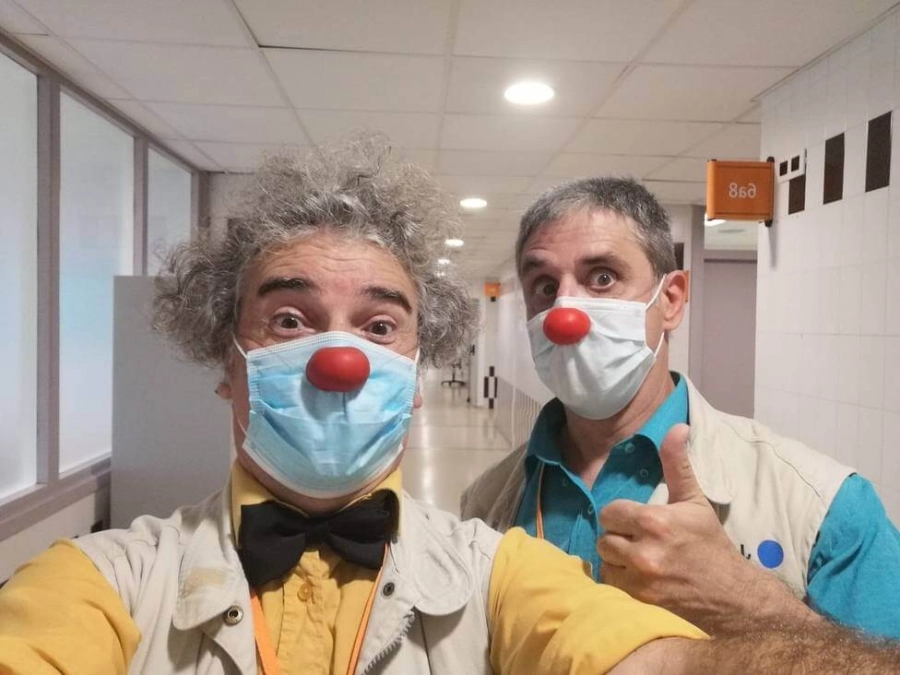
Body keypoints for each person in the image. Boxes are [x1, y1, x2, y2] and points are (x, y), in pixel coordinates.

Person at [0, 136, 720, 675]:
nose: (337, 359)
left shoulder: (499, 575)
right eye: (290, 319)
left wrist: (756, 606)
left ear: (414, 374)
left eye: (378, 326)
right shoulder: (106, 579)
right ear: (228, 360)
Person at [461, 177, 900, 640]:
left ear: (671, 300)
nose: (565, 314)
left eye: (603, 278)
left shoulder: (822, 506)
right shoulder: (487, 503)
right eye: (545, 286)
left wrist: (750, 604)